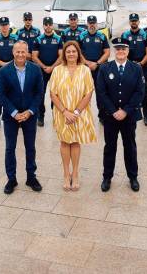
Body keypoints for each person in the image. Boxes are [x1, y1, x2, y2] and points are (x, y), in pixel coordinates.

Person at [96, 38, 145, 192]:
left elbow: (140, 92)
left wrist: (125, 110)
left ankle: (133, 177)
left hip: (129, 116)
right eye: (118, 49)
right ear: (114, 51)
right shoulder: (105, 68)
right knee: (110, 147)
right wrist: (113, 111)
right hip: (110, 117)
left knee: (130, 146)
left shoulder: (136, 69)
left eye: (123, 49)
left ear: (128, 51)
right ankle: (107, 177)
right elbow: (101, 92)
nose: (120, 52)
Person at [0, 41, 44, 194]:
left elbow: (39, 93)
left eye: (23, 52)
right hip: (11, 117)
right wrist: (14, 113)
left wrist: (30, 111)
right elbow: (1, 95)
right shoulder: (4, 71)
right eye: (18, 52)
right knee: (10, 148)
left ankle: (31, 177)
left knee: (30, 147)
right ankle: (11, 179)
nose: (21, 55)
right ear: (13, 52)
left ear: (28, 52)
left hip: (30, 115)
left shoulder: (36, 70)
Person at [48, 41, 97, 191]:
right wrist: (65, 112)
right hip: (62, 113)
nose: (71, 54)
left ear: (78, 53)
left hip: (78, 114)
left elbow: (88, 92)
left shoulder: (85, 70)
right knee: (64, 142)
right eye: (68, 51)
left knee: (75, 142)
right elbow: (52, 93)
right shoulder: (57, 70)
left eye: (73, 51)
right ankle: (65, 174)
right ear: (64, 54)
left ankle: (75, 174)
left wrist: (75, 112)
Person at [32, 16, 63, 126]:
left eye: (50, 24)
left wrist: (52, 67)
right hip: (42, 71)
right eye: (46, 24)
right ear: (43, 25)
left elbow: (61, 56)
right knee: (41, 93)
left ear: (52, 25)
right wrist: (44, 67)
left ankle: (56, 115)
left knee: (55, 94)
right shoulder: (38, 39)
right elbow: (34, 57)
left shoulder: (58, 39)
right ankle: (41, 116)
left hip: (55, 71)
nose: (48, 26)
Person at [122, 13, 147, 126]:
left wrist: (140, 64)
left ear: (138, 22)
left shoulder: (145, 34)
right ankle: (128, 113)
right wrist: (129, 64)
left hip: (142, 66)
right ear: (129, 22)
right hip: (129, 66)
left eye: (135, 20)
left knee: (143, 91)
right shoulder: (125, 35)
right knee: (127, 90)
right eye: (132, 21)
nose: (134, 22)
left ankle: (146, 116)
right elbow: (122, 52)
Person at [0, 16, 18, 130]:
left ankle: (14, 116)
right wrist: (2, 64)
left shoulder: (15, 38)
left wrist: (10, 64)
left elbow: (19, 53)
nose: (4, 27)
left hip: (13, 70)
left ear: (9, 25)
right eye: (2, 25)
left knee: (14, 93)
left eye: (6, 25)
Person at [77, 15, 109, 82]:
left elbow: (107, 53)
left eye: (93, 23)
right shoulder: (81, 36)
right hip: (85, 66)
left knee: (100, 90)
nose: (92, 25)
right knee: (84, 90)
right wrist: (87, 63)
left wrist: (97, 63)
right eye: (90, 23)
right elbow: (77, 52)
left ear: (96, 24)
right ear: (87, 24)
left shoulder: (102, 36)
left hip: (99, 67)